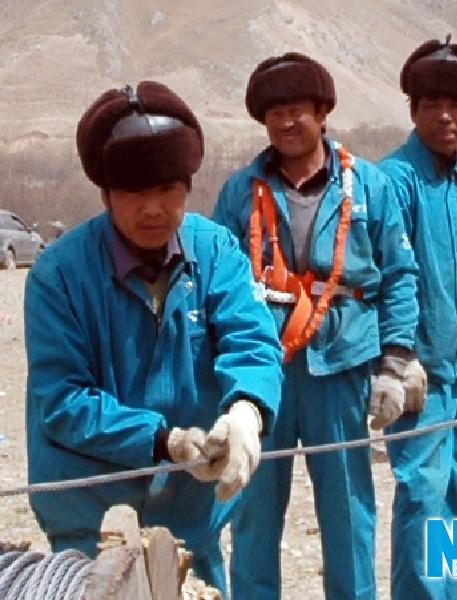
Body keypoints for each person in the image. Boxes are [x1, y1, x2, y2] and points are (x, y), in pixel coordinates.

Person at [24, 81, 283, 595]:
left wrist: (247, 410)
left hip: (191, 518)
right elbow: (64, 400)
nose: (152, 209)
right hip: (91, 521)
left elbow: (251, 341)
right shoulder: (58, 276)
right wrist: (165, 442)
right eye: (132, 192)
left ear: (188, 187)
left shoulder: (216, 252)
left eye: (167, 189)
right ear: (105, 194)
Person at [213, 52, 419, 600]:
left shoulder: (369, 185)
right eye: (274, 113)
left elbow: (400, 275)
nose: (287, 122)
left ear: (323, 113)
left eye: (297, 110)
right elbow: (217, 286)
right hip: (265, 372)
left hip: (343, 366)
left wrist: (395, 364)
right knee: (252, 511)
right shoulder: (239, 192)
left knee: (349, 510)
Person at [377, 37, 457, 599]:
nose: (447, 117)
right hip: (422, 377)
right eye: (433, 104)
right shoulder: (392, 181)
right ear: (413, 110)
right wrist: (398, 356)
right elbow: (390, 276)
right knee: (422, 494)